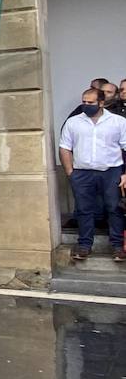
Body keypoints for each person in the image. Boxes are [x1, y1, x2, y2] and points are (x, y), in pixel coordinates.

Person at [59, 87, 126, 262]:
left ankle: (118, 247)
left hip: (111, 171)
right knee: (83, 209)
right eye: (84, 102)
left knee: (114, 208)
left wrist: (125, 174)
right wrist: (70, 172)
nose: (86, 105)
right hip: (82, 173)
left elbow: (125, 148)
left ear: (102, 103)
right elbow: (65, 147)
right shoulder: (73, 122)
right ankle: (84, 245)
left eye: (90, 103)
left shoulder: (118, 122)